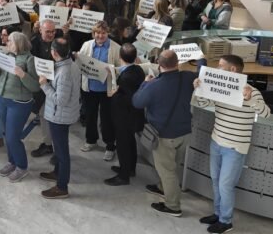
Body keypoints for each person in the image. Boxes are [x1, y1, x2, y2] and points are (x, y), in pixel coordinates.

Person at [192, 55, 270, 234]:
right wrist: (199, 89)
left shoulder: (252, 91)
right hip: (216, 141)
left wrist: (249, 99)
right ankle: (218, 214)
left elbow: (266, 113)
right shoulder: (219, 89)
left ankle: (226, 221)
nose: (217, 69)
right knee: (216, 181)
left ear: (233, 70)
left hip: (235, 148)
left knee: (225, 186)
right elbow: (202, 103)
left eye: (220, 66)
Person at [132, 50, 203, 217]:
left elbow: (137, 102)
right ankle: (162, 187)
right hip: (185, 132)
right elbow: (202, 72)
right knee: (174, 166)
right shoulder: (188, 77)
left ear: (159, 63)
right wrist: (201, 60)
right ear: (177, 62)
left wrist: (144, 83)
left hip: (164, 135)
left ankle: (172, 206)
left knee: (167, 171)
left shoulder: (154, 85)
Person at [0, 32, 40, 182]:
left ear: (18, 43)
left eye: (10, 41)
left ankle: (22, 166)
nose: (6, 43)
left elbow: (35, 86)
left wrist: (23, 75)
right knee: (7, 134)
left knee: (13, 136)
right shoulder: (7, 55)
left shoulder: (29, 60)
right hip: (2, 98)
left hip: (19, 103)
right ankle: (11, 161)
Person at [39, 37, 81, 199]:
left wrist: (44, 85)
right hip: (61, 114)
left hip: (60, 116)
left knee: (62, 153)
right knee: (59, 148)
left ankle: (62, 187)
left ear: (54, 52)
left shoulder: (64, 72)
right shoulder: (70, 64)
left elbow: (60, 100)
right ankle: (57, 173)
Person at [78, 21, 121, 161]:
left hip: (106, 90)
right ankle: (91, 140)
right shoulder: (87, 45)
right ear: (93, 33)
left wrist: (113, 71)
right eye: (97, 33)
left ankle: (110, 146)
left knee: (107, 119)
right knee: (90, 116)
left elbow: (122, 68)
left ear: (107, 33)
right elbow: (81, 60)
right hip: (90, 88)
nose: (100, 35)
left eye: (103, 33)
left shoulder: (116, 48)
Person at [104, 43, 146, 186]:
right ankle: (130, 168)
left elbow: (121, 97)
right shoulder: (139, 70)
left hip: (124, 116)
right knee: (130, 142)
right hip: (134, 116)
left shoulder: (125, 78)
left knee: (122, 145)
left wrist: (113, 88)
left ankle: (123, 176)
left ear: (120, 57)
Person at [29, 20, 63, 158]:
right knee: (43, 116)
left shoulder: (60, 43)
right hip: (40, 85)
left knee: (52, 118)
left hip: (56, 86)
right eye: (48, 31)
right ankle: (49, 144)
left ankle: (53, 146)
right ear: (40, 31)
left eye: (53, 31)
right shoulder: (34, 42)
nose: (51, 34)